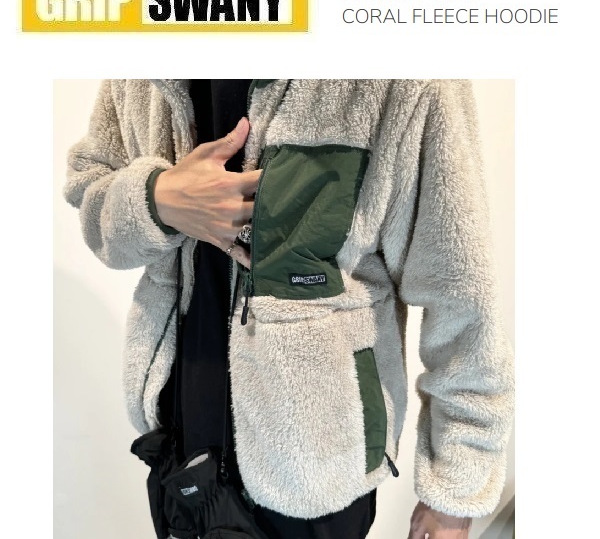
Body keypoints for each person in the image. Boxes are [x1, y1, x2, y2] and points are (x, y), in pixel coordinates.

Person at [64, 79, 515, 539]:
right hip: (180, 449)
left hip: (317, 470)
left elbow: (461, 296)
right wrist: (155, 199)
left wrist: (456, 485)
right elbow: (89, 187)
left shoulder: (403, 74)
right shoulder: (144, 63)